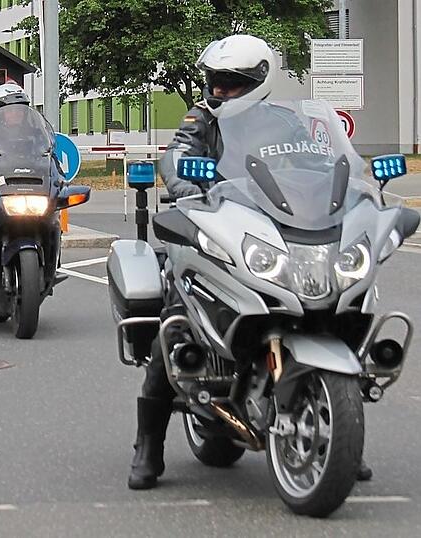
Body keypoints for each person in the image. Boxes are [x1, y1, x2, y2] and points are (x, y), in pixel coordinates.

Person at [129, 34, 370, 490]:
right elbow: (176, 157)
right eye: (214, 81)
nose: (219, 90)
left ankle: (341, 434)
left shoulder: (286, 122)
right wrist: (184, 185)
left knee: (332, 308)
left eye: (231, 82)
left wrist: (343, 189)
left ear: (260, 80)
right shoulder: (201, 119)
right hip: (213, 226)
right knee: (175, 325)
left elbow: (321, 164)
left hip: (275, 228)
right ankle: (148, 447)